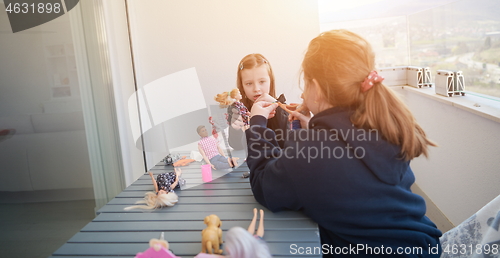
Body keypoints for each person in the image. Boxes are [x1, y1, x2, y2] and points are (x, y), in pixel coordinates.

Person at [245, 30, 442, 257]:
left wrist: (257, 124)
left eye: (306, 83)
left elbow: (264, 185)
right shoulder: (380, 122)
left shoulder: (312, 150)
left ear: (316, 89)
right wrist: (315, 129)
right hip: (424, 245)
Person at [236, 53, 289, 148]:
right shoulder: (241, 111)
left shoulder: (281, 109)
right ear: (242, 87)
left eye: (262, 82)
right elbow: (236, 145)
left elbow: (288, 142)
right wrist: (235, 128)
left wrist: (278, 107)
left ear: (270, 82)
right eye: (249, 83)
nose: (256, 89)